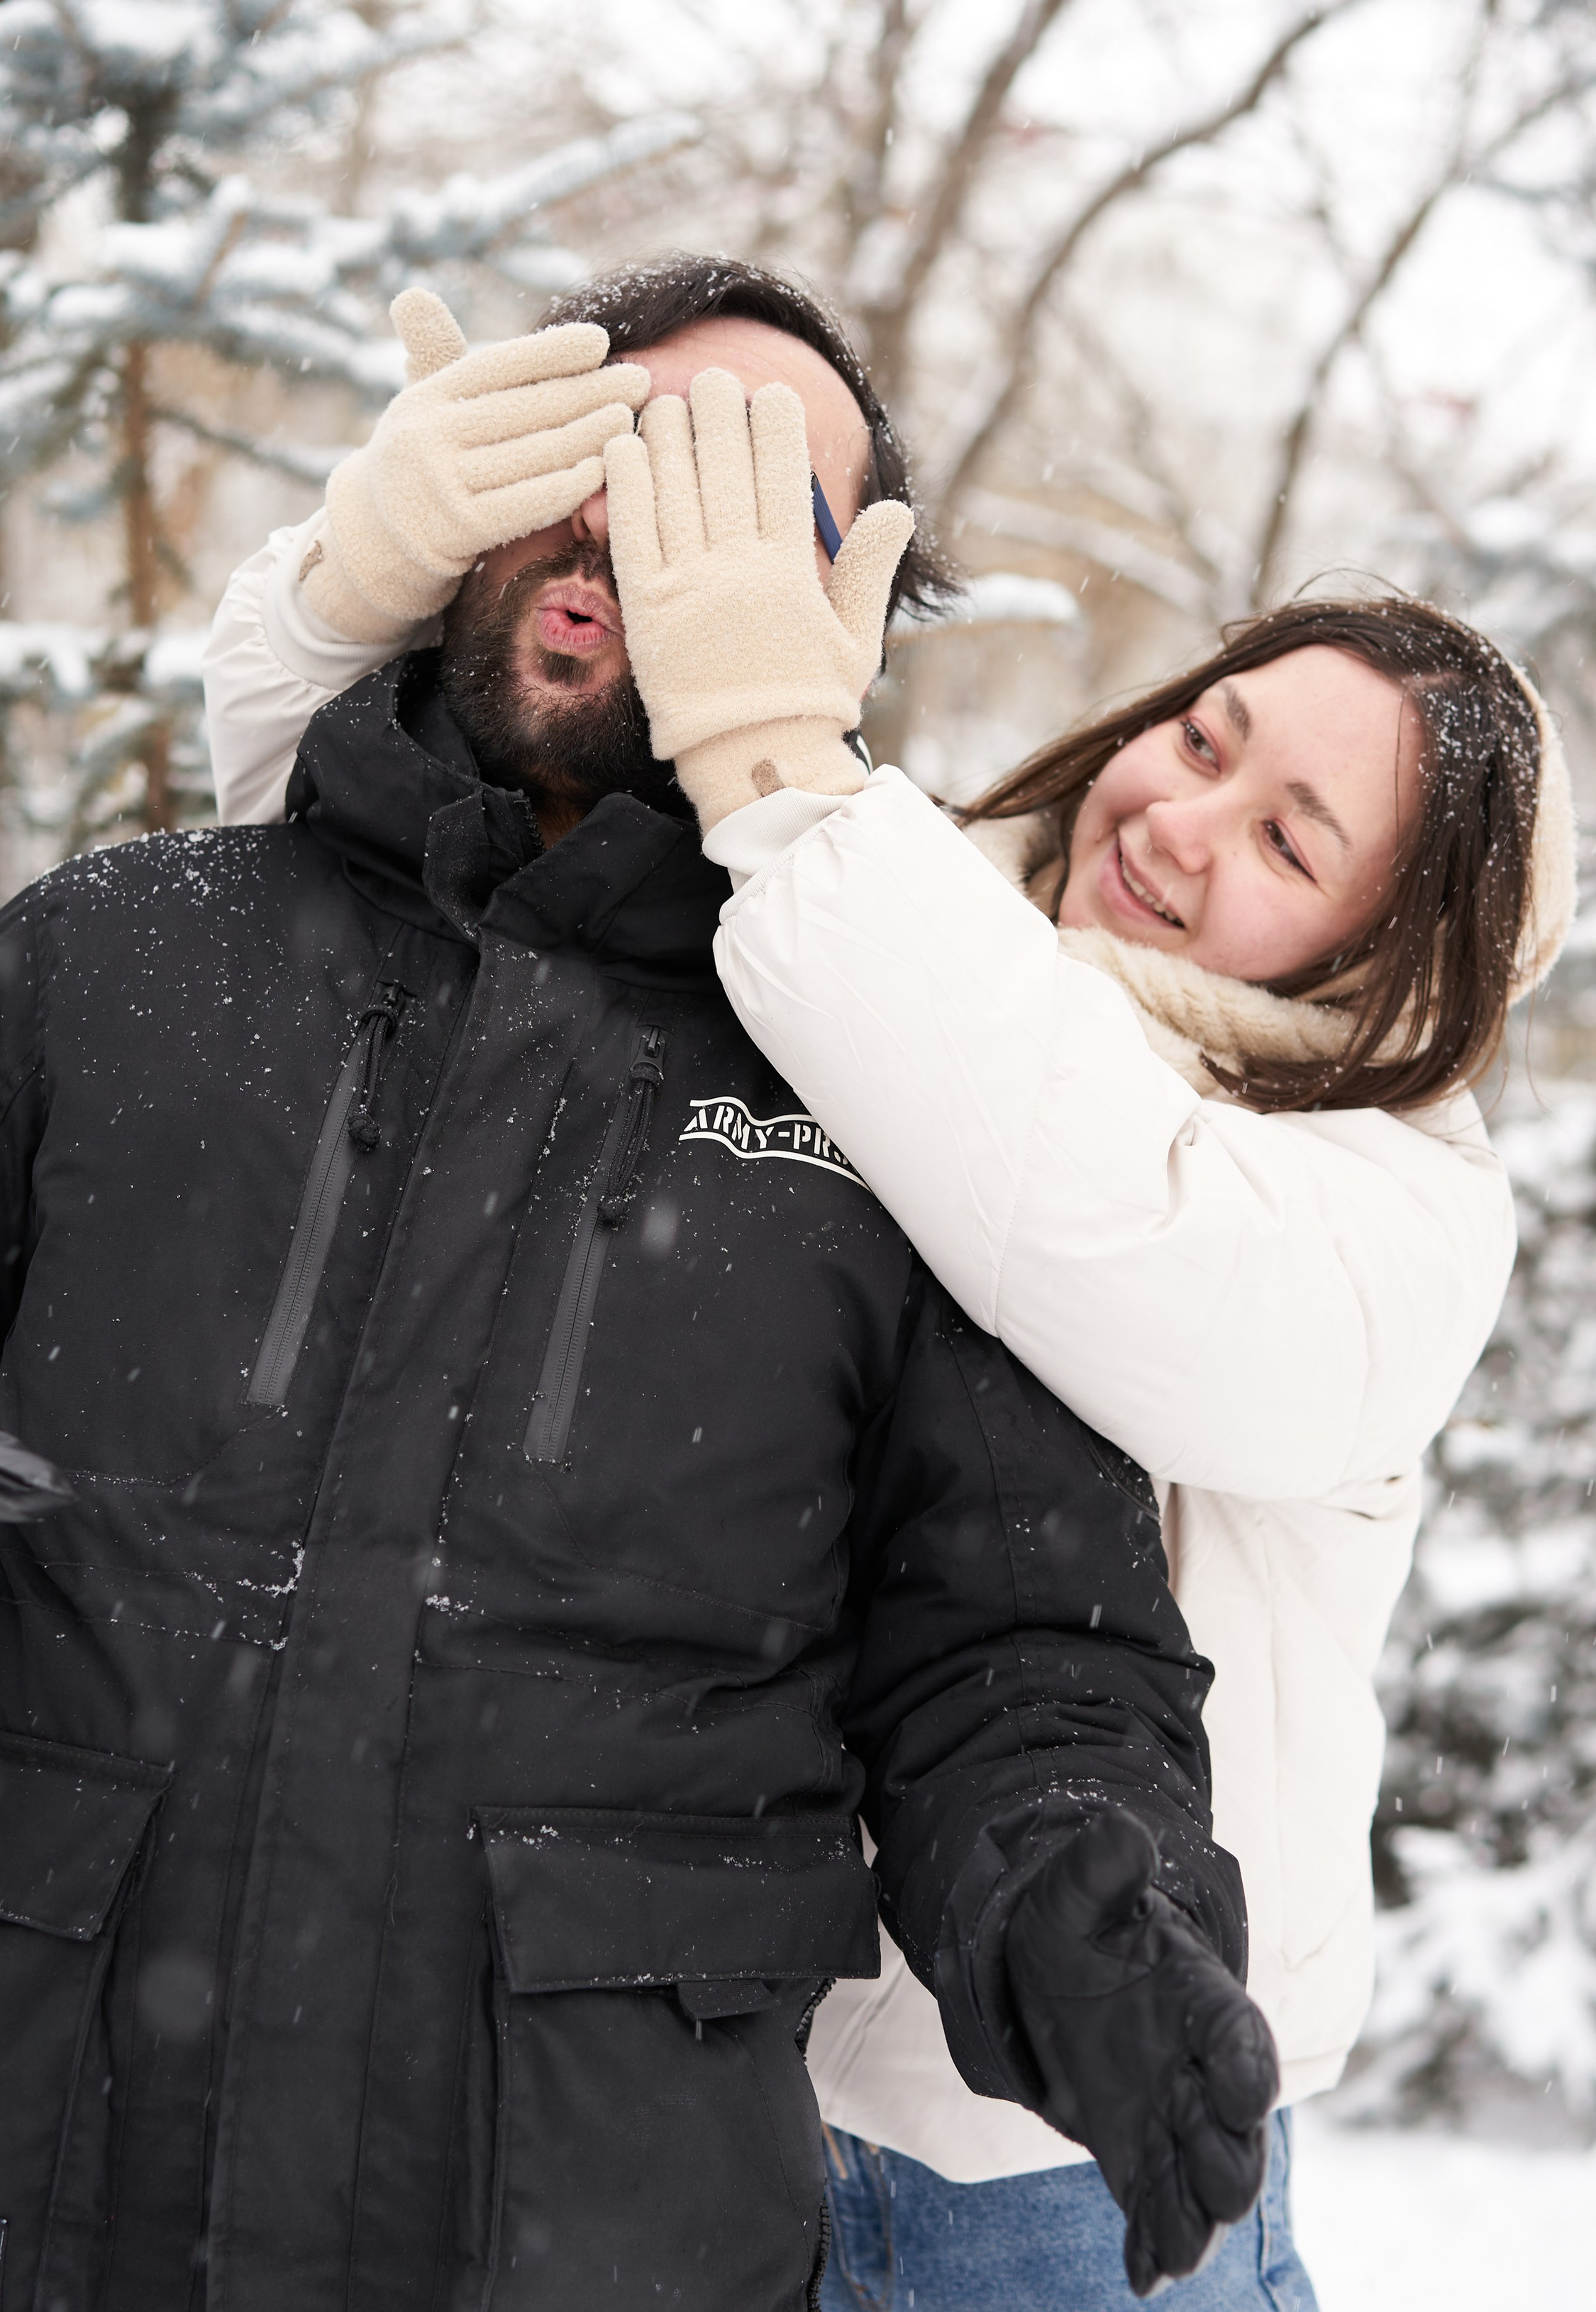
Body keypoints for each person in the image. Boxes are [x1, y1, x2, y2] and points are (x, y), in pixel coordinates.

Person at [0, 267, 1276, 2312]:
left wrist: (1096, 1910)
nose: (630, 525)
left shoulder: (891, 1084)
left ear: (832, 620)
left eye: (742, 502)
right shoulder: (114, 957)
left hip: (582, 2230)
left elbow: (1018, 1661)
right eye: (601, 445)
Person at [589, 373, 1576, 2311]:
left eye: (1291, 841)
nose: (1178, 819)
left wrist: (787, 764)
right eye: (1201, 737)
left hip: (1072, 2188)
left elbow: (1094, 1209)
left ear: (1389, 975)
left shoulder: (1395, 1216)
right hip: (710, 2117)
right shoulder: (901, 947)